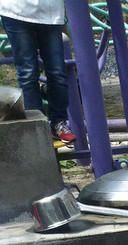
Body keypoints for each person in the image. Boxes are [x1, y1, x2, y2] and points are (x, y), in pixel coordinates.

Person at [0, 0, 75, 143]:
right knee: (27, 73)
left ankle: (58, 123)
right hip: (15, 11)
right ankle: (36, 127)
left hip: (50, 13)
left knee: (57, 72)